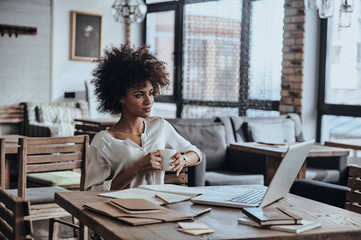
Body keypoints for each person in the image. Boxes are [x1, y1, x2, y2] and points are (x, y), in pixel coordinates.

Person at [84, 44, 202, 191]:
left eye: (151, 93)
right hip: (121, 210)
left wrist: (183, 160)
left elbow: (196, 153)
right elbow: (91, 191)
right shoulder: (103, 142)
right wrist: (135, 169)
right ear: (120, 96)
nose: (149, 101)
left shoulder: (159, 126)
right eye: (139, 95)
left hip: (158, 206)